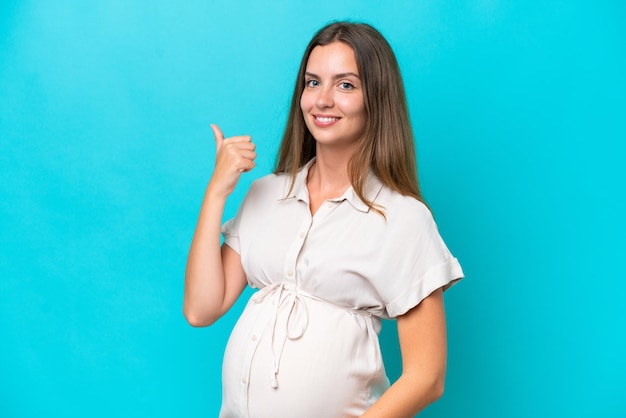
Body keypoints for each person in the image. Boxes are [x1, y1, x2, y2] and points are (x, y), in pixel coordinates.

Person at [184, 21, 464, 418]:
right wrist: (216, 193)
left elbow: (427, 376)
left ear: (376, 98)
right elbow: (201, 309)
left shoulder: (403, 219)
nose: (322, 100)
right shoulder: (266, 194)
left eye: (345, 85)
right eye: (313, 82)